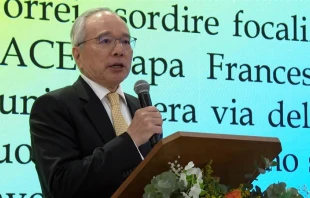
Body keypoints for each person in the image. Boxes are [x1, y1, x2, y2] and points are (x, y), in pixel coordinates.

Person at [29, 7, 163, 198]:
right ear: (77, 55)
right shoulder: (54, 107)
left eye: (125, 41)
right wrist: (130, 140)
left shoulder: (138, 107)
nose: (119, 50)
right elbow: (61, 185)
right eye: (105, 41)